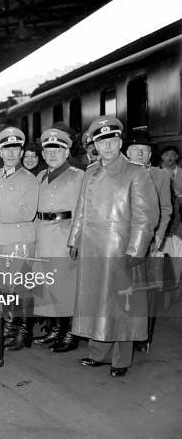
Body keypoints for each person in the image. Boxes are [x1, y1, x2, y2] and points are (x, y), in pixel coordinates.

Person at [68, 115, 158, 377]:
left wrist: (136, 250)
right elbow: (81, 211)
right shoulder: (91, 172)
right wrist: (74, 240)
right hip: (92, 247)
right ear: (95, 144)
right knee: (95, 301)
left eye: (112, 140)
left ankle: (121, 360)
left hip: (119, 249)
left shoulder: (136, 173)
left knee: (121, 305)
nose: (107, 146)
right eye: (101, 141)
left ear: (120, 142)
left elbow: (146, 216)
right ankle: (98, 353)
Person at [0, 127, 38, 351]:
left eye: (16, 148)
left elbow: (27, 212)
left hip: (19, 239)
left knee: (21, 287)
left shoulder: (28, 179)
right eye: (6, 149)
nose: (11, 153)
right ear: (0, 150)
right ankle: (9, 328)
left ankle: (23, 333)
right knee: (5, 286)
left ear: (22, 151)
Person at [32, 128, 84, 352]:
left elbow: (81, 212)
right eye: (48, 151)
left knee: (65, 286)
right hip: (42, 234)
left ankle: (70, 333)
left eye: (58, 150)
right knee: (47, 284)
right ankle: (54, 329)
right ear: (43, 154)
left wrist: (75, 241)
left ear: (67, 151)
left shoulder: (77, 175)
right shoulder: (40, 176)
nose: (52, 155)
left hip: (63, 233)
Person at [125, 130, 173, 350]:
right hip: (123, 240)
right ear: (127, 153)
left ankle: (143, 338)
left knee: (147, 290)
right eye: (135, 150)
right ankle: (124, 334)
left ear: (151, 154)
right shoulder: (118, 174)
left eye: (144, 151)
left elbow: (166, 210)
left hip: (149, 241)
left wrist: (159, 238)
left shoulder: (160, 176)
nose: (140, 154)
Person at [160, 145, 182, 235]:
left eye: (172, 155)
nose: (169, 157)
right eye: (166, 155)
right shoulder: (156, 172)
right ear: (162, 157)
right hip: (162, 211)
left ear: (176, 157)